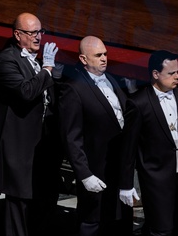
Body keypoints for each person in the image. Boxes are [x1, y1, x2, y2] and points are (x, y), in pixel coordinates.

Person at [119, 50, 178, 236]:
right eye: (171, 73)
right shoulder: (139, 103)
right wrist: (126, 184)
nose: (177, 77)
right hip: (156, 180)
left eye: (177, 72)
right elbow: (128, 148)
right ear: (155, 74)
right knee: (161, 230)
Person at [0, 12, 61, 236]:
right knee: (18, 203)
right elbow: (26, 91)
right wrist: (47, 70)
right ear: (17, 34)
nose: (38, 37)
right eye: (32, 33)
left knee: (43, 199)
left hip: (40, 143)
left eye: (40, 32)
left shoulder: (35, 61)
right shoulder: (6, 60)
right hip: (19, 146)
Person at [59, 35, 132, 236]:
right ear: (83, 59)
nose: (104, 59)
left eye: (105, 54)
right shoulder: (74, 89)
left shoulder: (111, 79)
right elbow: (71, 137)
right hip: (96, 169)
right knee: (92, 220)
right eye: (98, 55)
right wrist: (84, 174)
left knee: (118, 219)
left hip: (118, 166)